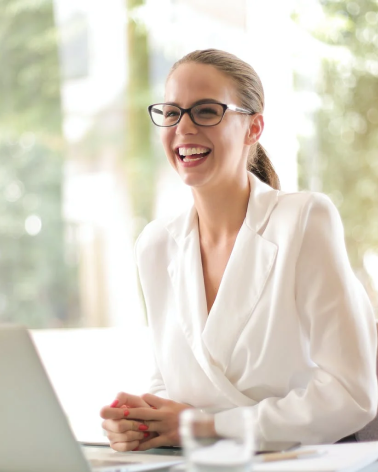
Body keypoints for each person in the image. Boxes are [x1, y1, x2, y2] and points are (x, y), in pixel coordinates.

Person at [100, 49, 378, 451]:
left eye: (207, 111)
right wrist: (143, 421)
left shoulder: (303, 220)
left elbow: (352, 394)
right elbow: (170, 378)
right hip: (203, 470)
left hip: (300, 468)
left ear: (253, 127)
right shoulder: (156, 245)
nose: (184, 127)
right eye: (172, 112)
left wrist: (206, 427)